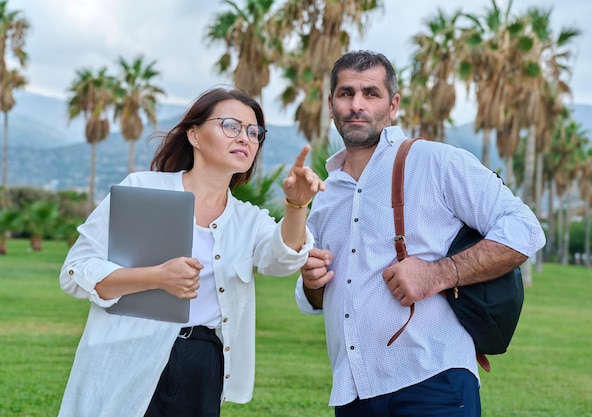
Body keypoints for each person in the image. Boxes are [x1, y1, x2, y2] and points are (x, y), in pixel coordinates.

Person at [295, 50, 546, 416]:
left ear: (393, 105)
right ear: (331, 105)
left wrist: (438, 273)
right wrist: (311, 281)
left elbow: (525, 228)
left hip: (433, 379)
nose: (356, 104)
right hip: (354, 389)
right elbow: (316, 299)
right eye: (346, 93)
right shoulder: (326, 194)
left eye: (371, 93)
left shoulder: (436, 162)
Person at [58, 87, 325, 417]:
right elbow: (75, 271)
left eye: (254, 132)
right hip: (127, 351)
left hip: (203, 362)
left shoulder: (248, 220)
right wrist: (157, 277)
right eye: (231, 125)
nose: (245, 138)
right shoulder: (141, 189)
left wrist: (296, 205)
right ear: (194, 134)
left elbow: (282, 259)